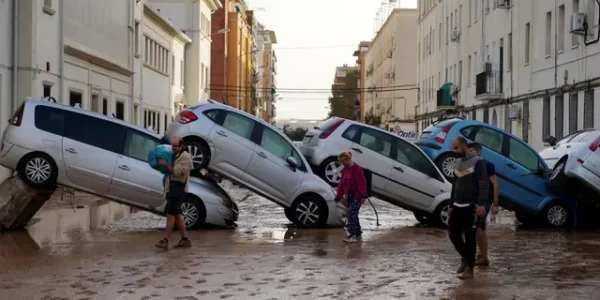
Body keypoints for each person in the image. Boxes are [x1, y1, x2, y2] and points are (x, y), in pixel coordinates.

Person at [448, 136, 489, 279]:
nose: (454, 151)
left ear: (464, 147)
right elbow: (454, 185)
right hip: (457, 206)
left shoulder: (478, 162)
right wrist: (451, 204)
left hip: (472, 206)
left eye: (456, 148)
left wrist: (481, 205)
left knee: (470, 237)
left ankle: (469, 269)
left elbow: (484, 185)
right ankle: (466, 259)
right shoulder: (457, 163)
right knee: (453, 234)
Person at [155, 137, 193, 249]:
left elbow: (177, 172)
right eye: (172, 146)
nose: (173, 148)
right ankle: (185, 239)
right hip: (171, 188)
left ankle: (165, 240)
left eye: (175, 146)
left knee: (170, 214)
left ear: (181, 146)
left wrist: (165, 164)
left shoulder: (185, 157)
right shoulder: (174, 155)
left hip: (178, 190)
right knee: (177, 215)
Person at [468, 142, 500, 266]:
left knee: (478, 227)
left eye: (473, 151)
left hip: (486, 199)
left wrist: (496, 204)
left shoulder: (487, 165)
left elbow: (495, 184)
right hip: (475, 199)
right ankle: (483, 256)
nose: (470, 154)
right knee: (481, 228)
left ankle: (482, 256)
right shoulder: (468, 164)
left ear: (479, 152)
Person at [334, 151, 368, 243]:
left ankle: (352, 235)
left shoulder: (357, 169)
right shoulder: (345, 169)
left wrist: (363, 195)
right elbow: (341, 183)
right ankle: (358, 234)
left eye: (343, 161)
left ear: (348, 159)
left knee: (351, 214)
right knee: (353, 215)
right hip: (348, 196)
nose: (342, 163)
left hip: (357, 195)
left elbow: (362, 182)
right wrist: (338, 196)